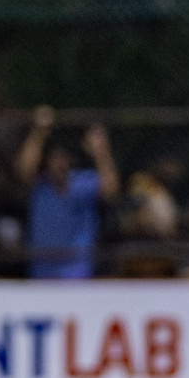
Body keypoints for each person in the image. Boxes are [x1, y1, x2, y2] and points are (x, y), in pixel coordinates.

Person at [14, 106, 119, 278]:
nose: (60, 163)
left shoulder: (83, 183)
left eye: (64, 158)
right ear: (47, 161)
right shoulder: (40, 186)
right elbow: (23, 170)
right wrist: (38, 132)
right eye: (55, 158)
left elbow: (110, 190)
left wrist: (100, 151)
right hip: (41, 272)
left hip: (77, 272)